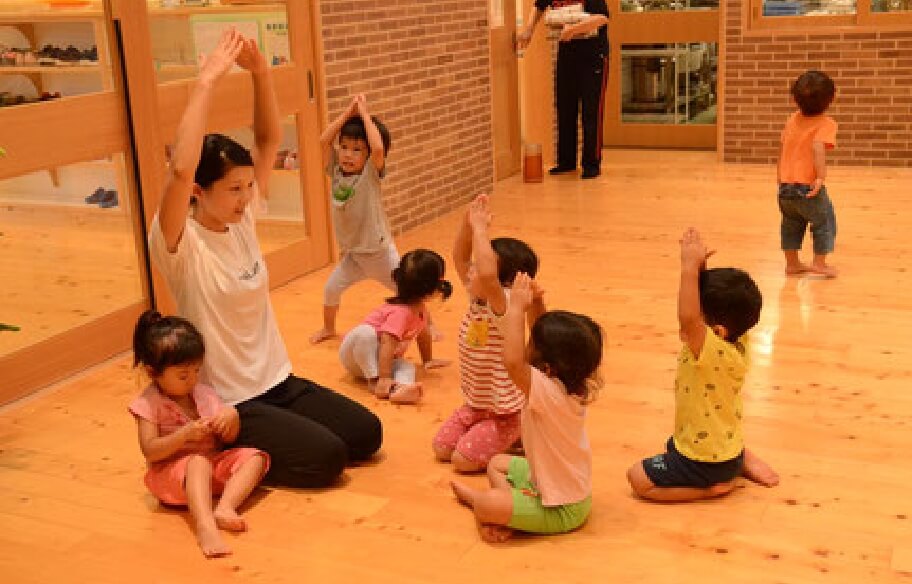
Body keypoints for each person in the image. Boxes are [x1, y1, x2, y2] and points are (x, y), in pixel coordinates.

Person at [148, 29, 381, 489]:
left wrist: (260, 74)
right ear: (199, 192)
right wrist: (207, 82)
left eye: (248, 186)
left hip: (278, 380)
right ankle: (225, 446)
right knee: (327, 459)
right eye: (234, 189)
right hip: (232, 400)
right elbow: (179, 168)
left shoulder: (243, 218)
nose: (246, 197)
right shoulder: (180, 242)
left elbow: (269, 137)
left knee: (366, 435)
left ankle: (269, 437)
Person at [626, 228, 780, 502]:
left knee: (638, 478)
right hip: (723, 445)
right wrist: (699, 269)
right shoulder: (736, 337)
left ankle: (711, 488)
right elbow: (696, 318)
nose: (691, 318)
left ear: (717, 330)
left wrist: (687, 269)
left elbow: (687, 319)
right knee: (672, 445)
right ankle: (739, 459)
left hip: (706, 462)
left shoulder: (711, 351)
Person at [451, 274, 602, 542]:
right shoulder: (567, 383)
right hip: (548, 483)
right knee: (496, 463)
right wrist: (537, 303)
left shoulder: (547, 392)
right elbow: (542, 336)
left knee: (488, 503)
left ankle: (490, 511)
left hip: (563, 509)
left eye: (531, 344)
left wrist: (517, 310)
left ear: (547, 365)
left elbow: (512, 363)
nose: (526, 345)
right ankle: (513, 511)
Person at [129, 310, 269, 558]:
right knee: (197, 463)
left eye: (196, 371)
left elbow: (227, 439)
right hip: (171, 477)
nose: (192, 380)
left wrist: (230, 419)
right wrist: (183, 436)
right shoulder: (148, 404)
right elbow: (150, 449)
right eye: (183, 375)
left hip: (209, 466)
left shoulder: (203, 393)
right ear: (152, 372)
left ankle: (225, 508)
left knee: (255, 457)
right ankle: (205, 527)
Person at [432, 195, 545, 473]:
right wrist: (468, 222)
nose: (470, 271)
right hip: (477, 403)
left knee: (462, 462)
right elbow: (459, 256)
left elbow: (488, 276)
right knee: (441, 449)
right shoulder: (478, 297)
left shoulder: (504, 303)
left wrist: (483, 230)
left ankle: (518, 429)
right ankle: (491, 429)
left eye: (482, 265)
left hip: (504, 412)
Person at [310, 94, 396, 344]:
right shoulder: (336, 169)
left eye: (357, 150)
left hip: (379, 252)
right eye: (345, 147)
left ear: (367, 156)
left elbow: (378, 148)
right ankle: (328, 328)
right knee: (331, 289)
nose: (348, 154)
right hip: (354, 254)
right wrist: (348, 114)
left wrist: (366, 115)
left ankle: (428, 325)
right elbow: (324, 140)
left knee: (406, 290)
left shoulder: (370, 173)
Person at [338, 249, 453, 405]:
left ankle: (400, 390)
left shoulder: (420, 310)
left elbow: (423, 333)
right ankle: (374, 380)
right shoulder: (400, 313)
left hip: (381, 360)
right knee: (364, 333)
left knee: (407, 367)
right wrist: (383, 377)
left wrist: (428, 360)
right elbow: (387, 342)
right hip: (356, 357)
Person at [516, 1, 610, 179]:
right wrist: (529, 29)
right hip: (567, 54)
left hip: (594, 56)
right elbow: (539, 5)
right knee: (565, 107)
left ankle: (591, 163)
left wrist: (573, 30)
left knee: (591, 112)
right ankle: (566, 161)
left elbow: (602, 18)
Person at [777, 70, 839, 278]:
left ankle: (792, 264)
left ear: (795, 99)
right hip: (808, 187)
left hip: (785, 186)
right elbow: (817, 148)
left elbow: (784, 147)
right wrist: (820, 176)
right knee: (823, 222)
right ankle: (819, 264)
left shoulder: (791, 120)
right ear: (831, 100)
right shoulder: (826, 123)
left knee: (791, 223)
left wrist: (780, 177)